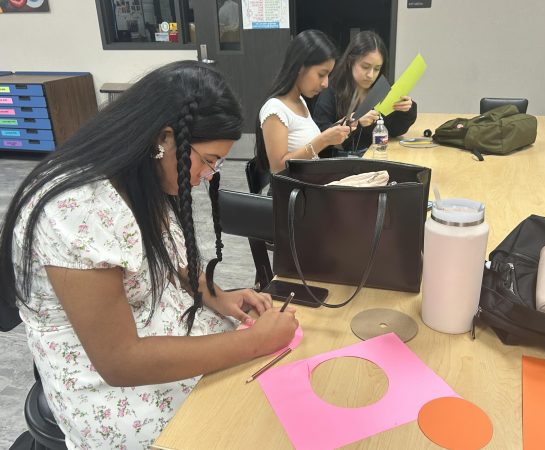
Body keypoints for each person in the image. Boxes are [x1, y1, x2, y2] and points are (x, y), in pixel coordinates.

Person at [0, 61, 298, 448]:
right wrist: (256, 342)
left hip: (156, 328)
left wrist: (217, 296)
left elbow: (167, 259)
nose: (208, 175)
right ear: (164, 140)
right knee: (235, 424)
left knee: (259, 399)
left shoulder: (141, 178)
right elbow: (120, 361)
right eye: (207, 160)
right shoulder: (76, 209)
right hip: (108, 379)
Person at [255, 29, 353, 173]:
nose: (325, 83)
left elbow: (304, 143)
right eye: (321, 74)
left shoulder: (300, 100)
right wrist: (324, 140)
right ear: (300, 67)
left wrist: (341, 125)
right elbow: (278, 168)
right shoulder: (275, 109)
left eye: (328, 75)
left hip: (310, 184)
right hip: (292, 192)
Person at [313, 30, 417, 155]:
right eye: (365, 67)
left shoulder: (381, 89)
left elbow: (394, 130)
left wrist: (405, 111)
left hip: (376, 156)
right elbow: (320, 137)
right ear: (351, 61)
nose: (370, 75)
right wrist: (354, 122)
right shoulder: (332, 89)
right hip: (341, 163)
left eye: (377, 69)